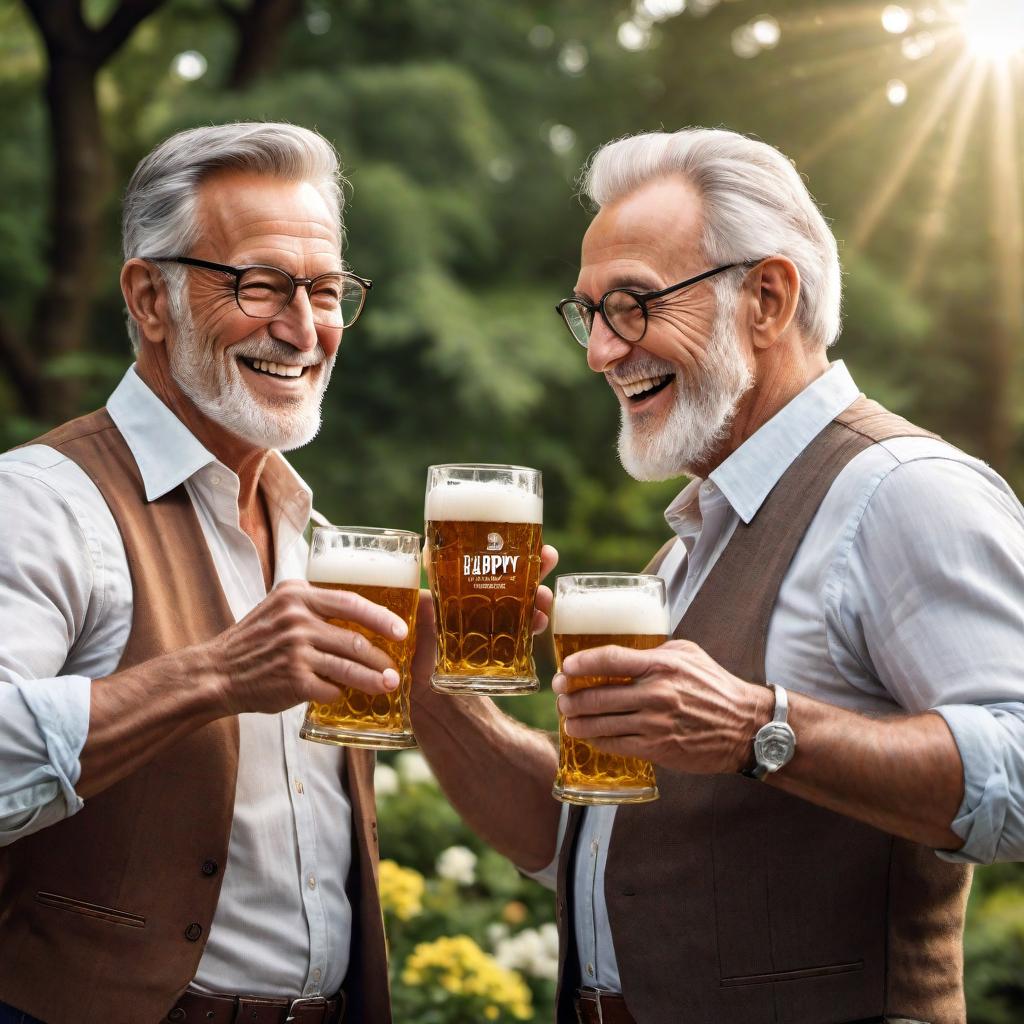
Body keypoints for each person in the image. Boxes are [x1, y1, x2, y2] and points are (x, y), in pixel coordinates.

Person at [409, 128, 1024, 1024]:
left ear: (767, 299)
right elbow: (591, 850)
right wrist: (433, 690)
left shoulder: (904, 492)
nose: (601, 353)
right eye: (590, 314)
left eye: (634, 304)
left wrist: (759, 727)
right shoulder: (692, 545)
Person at [0, 123, 402, 1024]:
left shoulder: (319, 534)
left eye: (327, 291)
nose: (303, 330)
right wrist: (215, 675)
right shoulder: (40, 500)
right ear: (150, 298)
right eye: (260, 286)